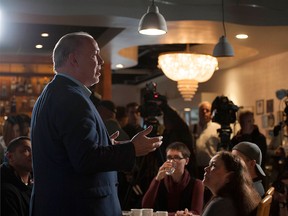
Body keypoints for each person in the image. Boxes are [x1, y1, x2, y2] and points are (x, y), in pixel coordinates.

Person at [29, 32, 163, 216]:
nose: (101, 61)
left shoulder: (57, 93)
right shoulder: (71, 98)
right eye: (95, 55)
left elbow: (71, 152)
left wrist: (107, 145)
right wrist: (132, 149)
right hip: (78, 208)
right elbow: (85, 159)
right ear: (74, 59)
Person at [176, 151, 260, 216]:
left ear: (229, 177)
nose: (206, 168)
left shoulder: (220, 204)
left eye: (213, 165)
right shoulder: (234, 199)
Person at [142, 142, 204, 216]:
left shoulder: (197, 184)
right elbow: (145, 207)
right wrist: (157, 179)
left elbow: (196, 213)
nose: (172, 161)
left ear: (186, 161)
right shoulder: (159, 181)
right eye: (169, 157)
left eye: (177, 157)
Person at [1, 136, 33, 216]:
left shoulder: (36, 183)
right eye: (26, 150)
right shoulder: (5, 191)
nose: (32, 155)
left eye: (34, 150)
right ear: (10, 157)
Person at [192, 101, 220, 179]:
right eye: (202, 110)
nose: (204, 112)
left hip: (212, 167)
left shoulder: (217, 128)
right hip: (196, 169)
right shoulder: (193, 128)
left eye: (207, 110)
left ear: (211, 113)